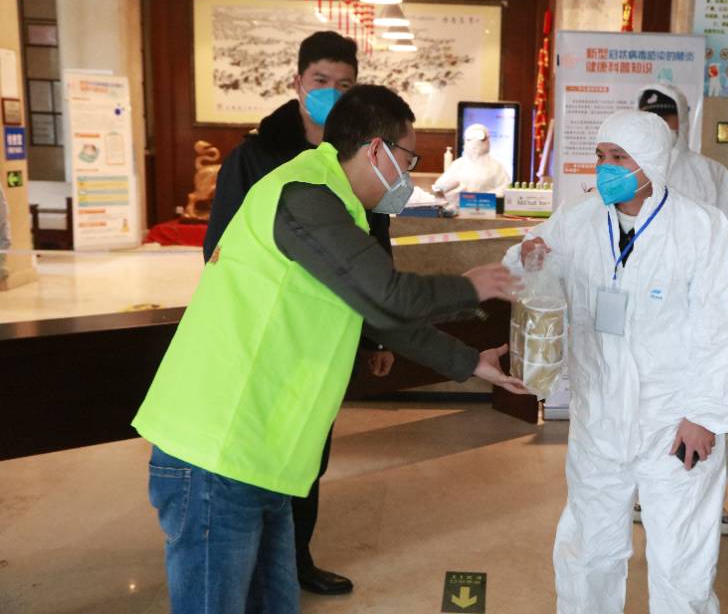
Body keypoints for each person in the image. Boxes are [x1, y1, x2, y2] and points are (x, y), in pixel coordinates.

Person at [133, 84, 526, 614]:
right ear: (377, 150)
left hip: (260, 451)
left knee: (274, 602)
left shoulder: (337, 207)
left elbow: (379, 316)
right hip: (216, 450)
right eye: (410, 159)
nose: (410, 176)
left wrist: (471, 362)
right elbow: (388, 295)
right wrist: (471, 286)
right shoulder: (304, 196)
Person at [504, 110, 728, 614]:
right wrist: (527, 256)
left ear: (652, 161)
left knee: (681, 556)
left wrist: (705, 416)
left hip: (673, 418)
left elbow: (723, 325)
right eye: (600, 156)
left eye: (619, 157)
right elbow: (527, 260)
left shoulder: (700, 227)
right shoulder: (579, 217)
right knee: (587, 546)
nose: (605, 167)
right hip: (599, 414)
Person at [203, 31, 387, 594]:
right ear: (298, 83)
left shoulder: (361, 158)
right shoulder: (254, 156)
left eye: (345, 84)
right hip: (263, 333)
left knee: (308, 449)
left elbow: (376, 253)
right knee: (256, 449)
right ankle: (255, 569)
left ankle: (295, 561)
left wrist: (377, 336)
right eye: (321, 80)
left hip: (324, 336)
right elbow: (219, 249)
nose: (332, 92)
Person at [637, 82, 728, 536]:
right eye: (650, 116)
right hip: (643, 322)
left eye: (667, 115)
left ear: (682, 119)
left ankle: (710, 500)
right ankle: (644, 494)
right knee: (642, 409)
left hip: (696, 320)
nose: (660, 125)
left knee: (703, 407)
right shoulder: (629, 171)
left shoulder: (710, 175)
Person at [433, 123, 511, 200]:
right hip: (458, 206)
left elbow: (506, 189)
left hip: (487, 206)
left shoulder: (496, 166)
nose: (475, 144)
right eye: (470, 139)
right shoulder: (458, 164)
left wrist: (483, 197)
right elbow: (439, 187)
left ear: (487, 141)